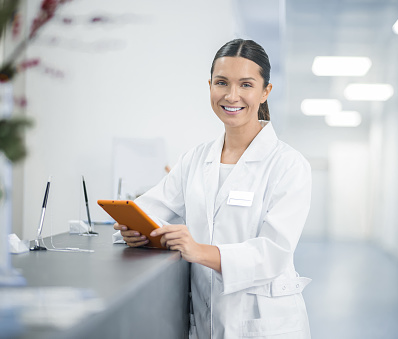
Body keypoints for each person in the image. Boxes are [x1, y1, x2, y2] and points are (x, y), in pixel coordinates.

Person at [113, 38, 312, 339]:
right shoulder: (195, 159)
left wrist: (199, 250)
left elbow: (273, 253)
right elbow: (148, 209)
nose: (232, 96)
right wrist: (135, 229)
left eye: (246, 84)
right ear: (210, 86)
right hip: (206, 321)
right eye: (222, 83)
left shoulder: (288, 165)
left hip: (265, 325)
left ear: (265, 91)